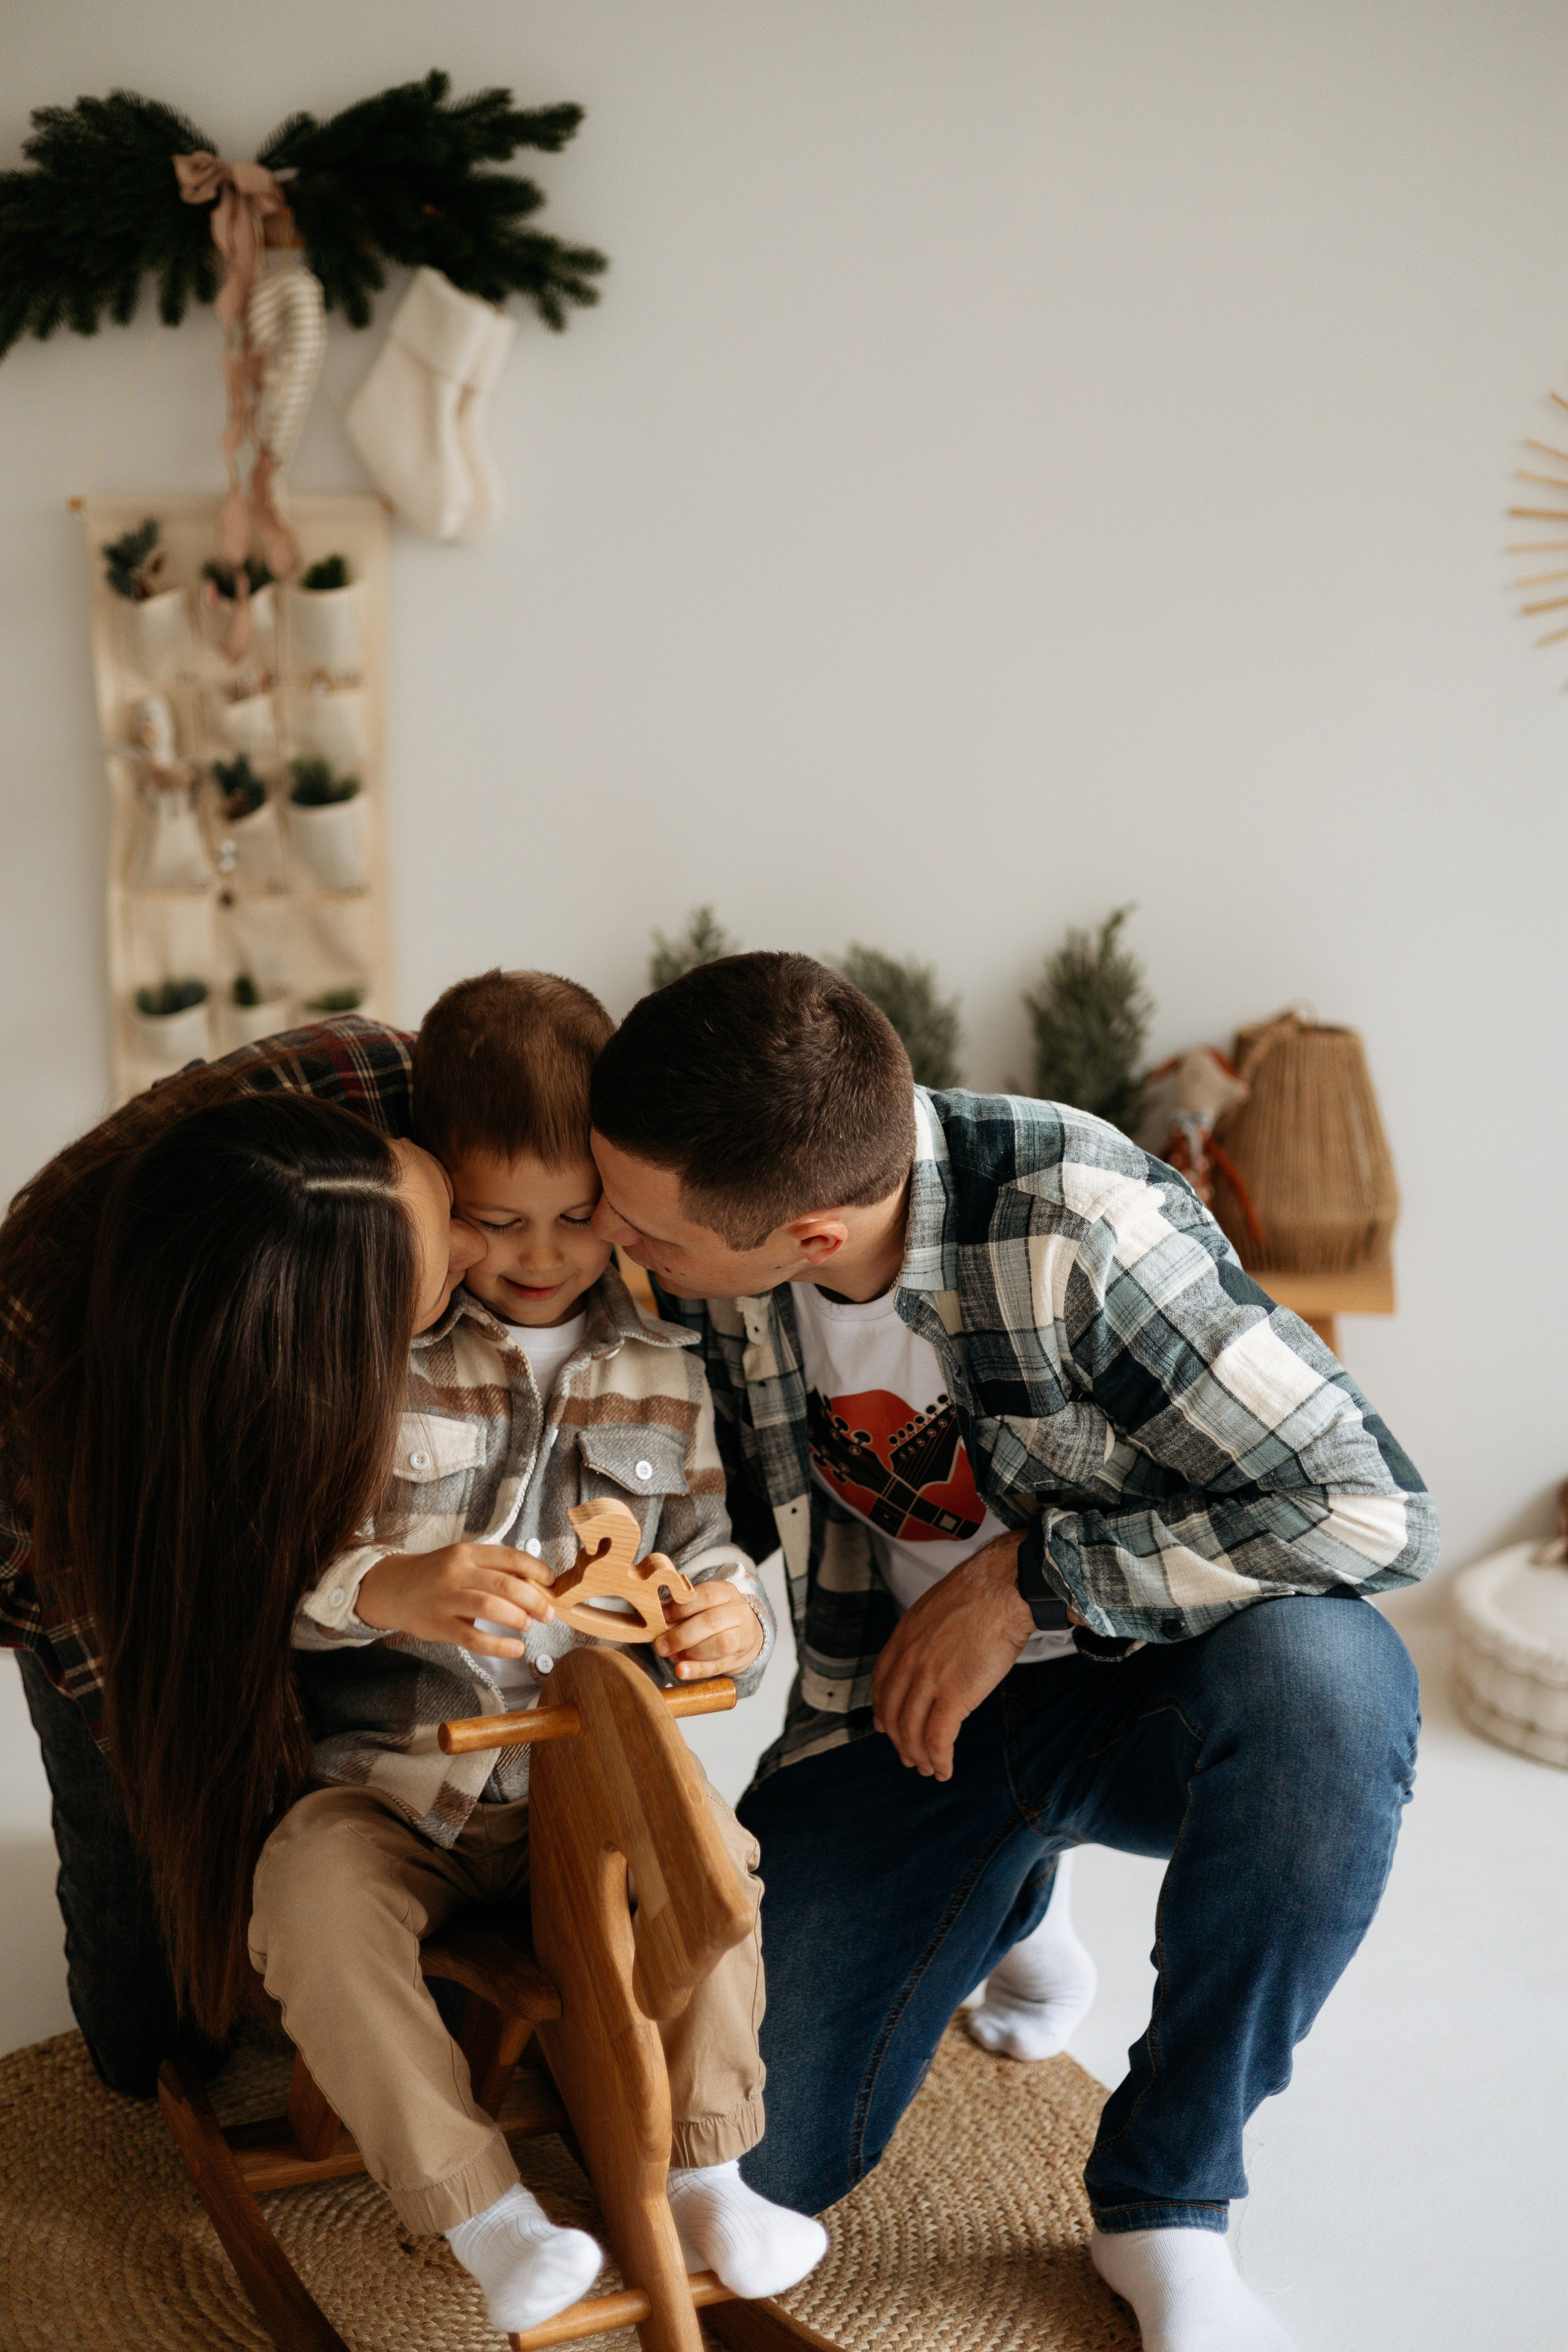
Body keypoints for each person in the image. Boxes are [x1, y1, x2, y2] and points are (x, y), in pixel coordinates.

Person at [586, 952, 1436, 2352]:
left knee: (1331, 1688)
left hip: (1158, 1699)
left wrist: (1030, 1582)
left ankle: (1166, 2202)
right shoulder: (705, 1261)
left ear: (804, 1232)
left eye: (643, 1229)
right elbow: (709, 1504)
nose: (620, 1245)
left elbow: (1369, 1507)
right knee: (748, 2157)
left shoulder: (1076, 1220)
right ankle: (1013, 1903)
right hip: (892, 1717)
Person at [252, 970, 824, 2334]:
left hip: (592, 1791)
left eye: (576, 1216)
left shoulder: (665, 1364)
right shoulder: (381, 1346)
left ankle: (709, 2167)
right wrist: (395, 1584)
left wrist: (726, 1623)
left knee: (719, 1862)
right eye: (492, 1219)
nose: (539, 1254)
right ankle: (484, 2210)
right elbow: (270, 1580)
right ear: (437, 1193)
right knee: (306, 1895)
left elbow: (696, 1555)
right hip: (398, 1791)